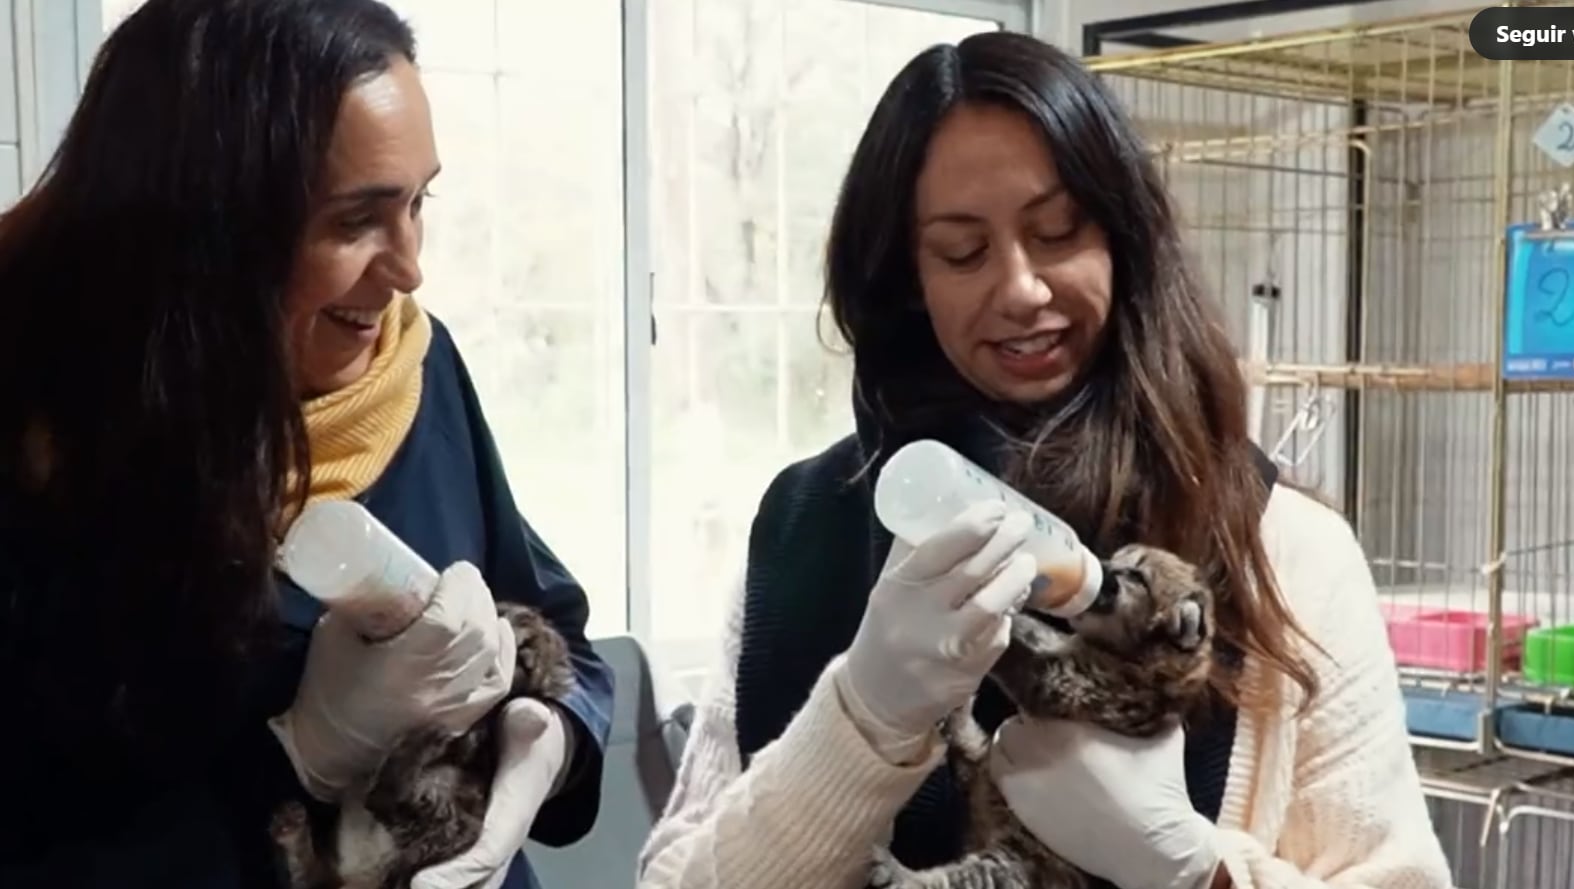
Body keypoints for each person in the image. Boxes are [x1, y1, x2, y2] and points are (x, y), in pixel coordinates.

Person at [638, 30, 1452, 889]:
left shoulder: (1284, 549)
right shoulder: (808, 530)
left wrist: (1195, 869)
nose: (1021, 288)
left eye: (1058, 231)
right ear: (906, 277)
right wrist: (859, 719)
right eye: (962, 251)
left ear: (1124, 240)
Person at [0, 2, 612, 888]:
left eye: (417, 203)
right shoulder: (42, 453)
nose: (407, 268)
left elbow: (559, 628)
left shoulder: (413, 369)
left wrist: (551, 736)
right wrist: (295, 761)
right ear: (205, 231)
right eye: (355, 220)